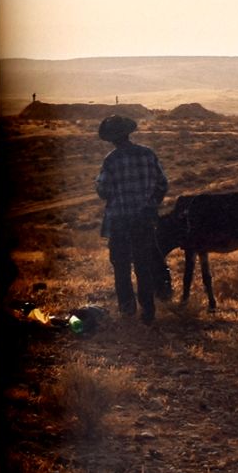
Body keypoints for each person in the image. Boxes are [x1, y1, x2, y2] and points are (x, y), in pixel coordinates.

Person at [93, 113, 168, 323]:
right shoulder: (147, 154)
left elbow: (104, 190)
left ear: (111, 139)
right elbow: (163, 184)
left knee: (121, 267)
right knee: (144, 266)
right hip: (143, 220)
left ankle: (127, 311)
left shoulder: (111, 160)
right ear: (128, 133)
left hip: (120, 221)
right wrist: (151, 204)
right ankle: (148, 311)